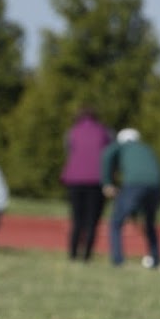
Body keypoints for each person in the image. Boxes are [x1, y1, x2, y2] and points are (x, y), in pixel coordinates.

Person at [100, 127, 160, 267]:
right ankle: (156, 258)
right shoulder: (146, 148)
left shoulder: (122, 146)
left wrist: (107, 183)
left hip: (134, 185)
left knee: (116, 222)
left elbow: (107, 155)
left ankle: (117, 260)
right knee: (150, 223)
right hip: (156, 185)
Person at [62, 110, 113, 262]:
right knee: (92, 220)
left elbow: (69, 150)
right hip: (97, 180)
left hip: (75, 179)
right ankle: (87, 256)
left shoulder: (72, 132)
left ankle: (72, 254)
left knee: (77, 219)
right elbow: (109, 154)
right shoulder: (105, 132)